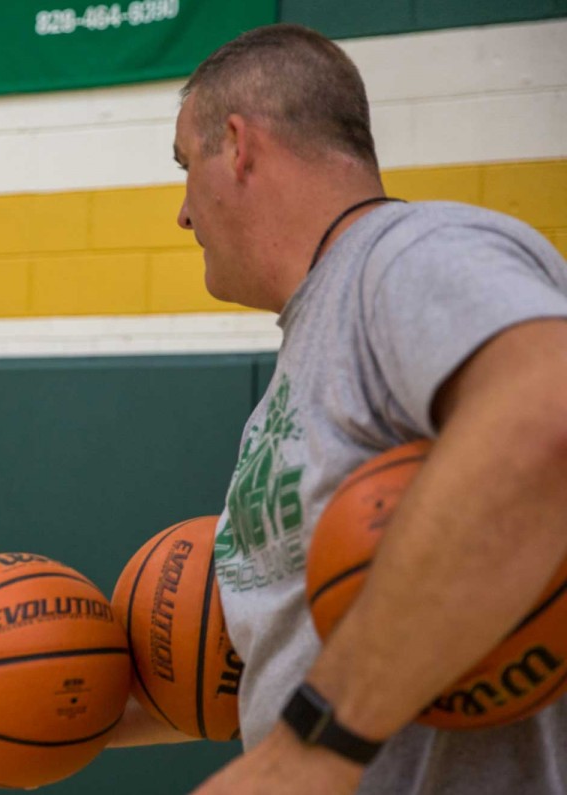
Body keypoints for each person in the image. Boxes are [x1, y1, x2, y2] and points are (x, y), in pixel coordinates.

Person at [120, 23, 567, 793]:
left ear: (238, 145)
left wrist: (313, 747)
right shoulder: (305, 353)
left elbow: (547, 410)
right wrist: (56, 708)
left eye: (184, 165)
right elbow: (286, 654)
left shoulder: (407, 253)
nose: (184, 215)